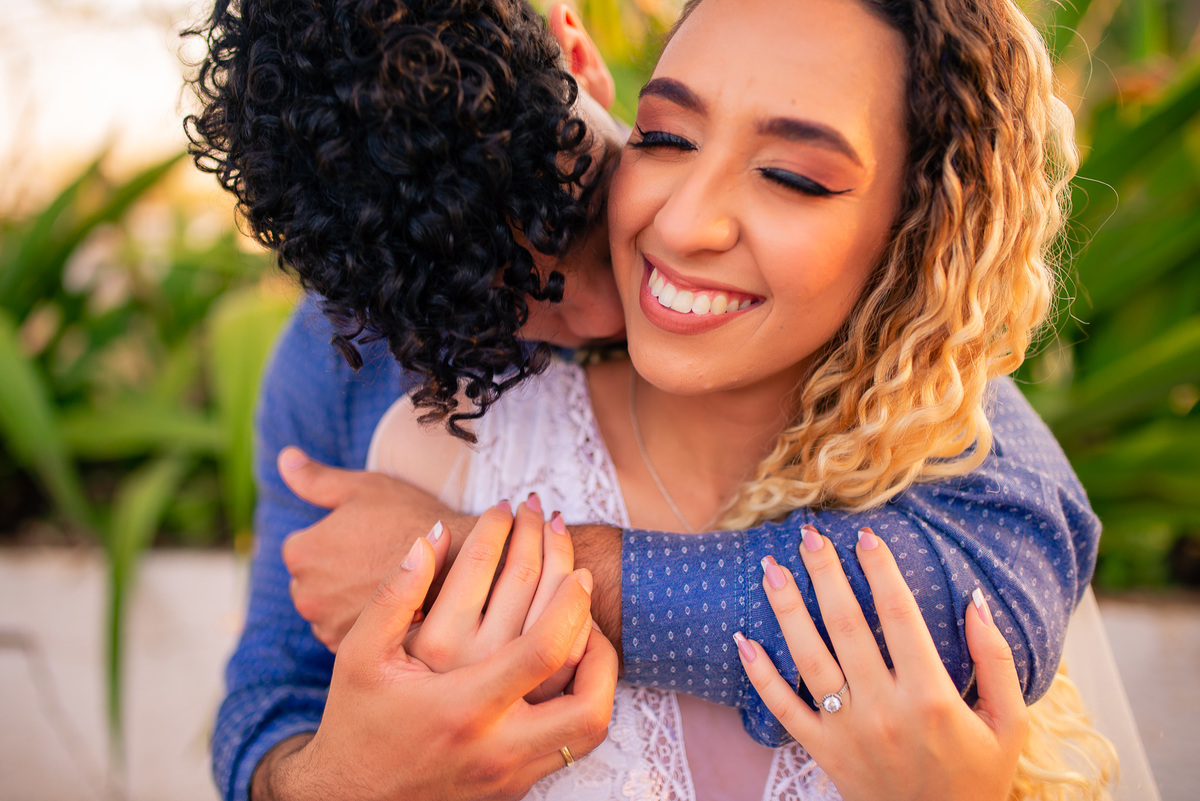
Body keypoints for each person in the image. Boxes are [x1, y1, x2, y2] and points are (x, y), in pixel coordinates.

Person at [184, 0, 1101, 798]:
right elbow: (271, 704)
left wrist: (477, 559)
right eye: (499, 307)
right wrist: (343, 782)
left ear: (576, 55)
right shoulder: (356, 354)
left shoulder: (888, 366)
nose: (606, 294)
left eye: (564, 214)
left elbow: (1014, 544)